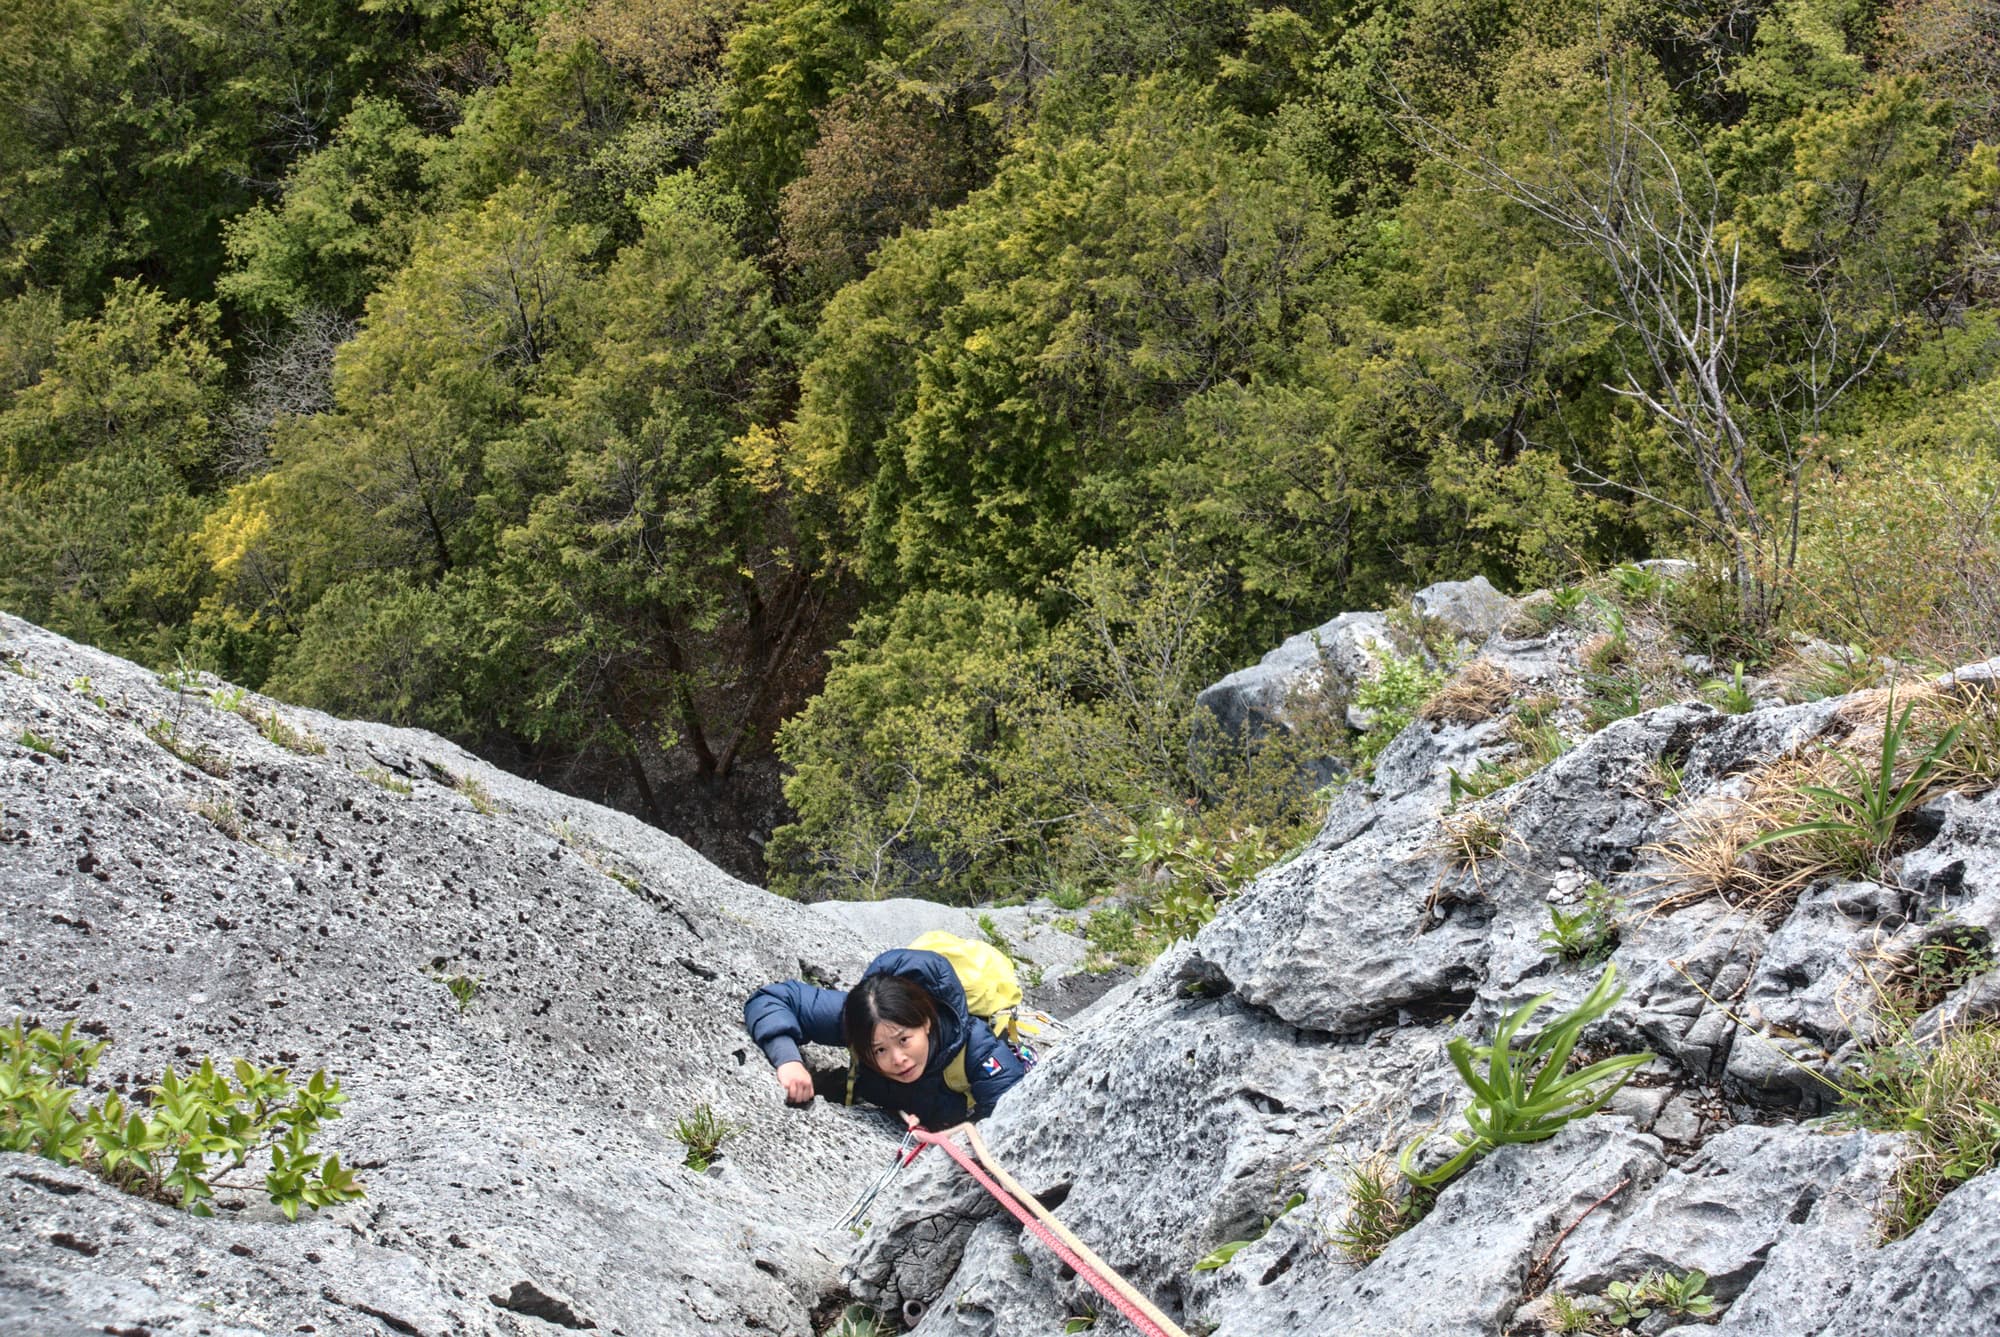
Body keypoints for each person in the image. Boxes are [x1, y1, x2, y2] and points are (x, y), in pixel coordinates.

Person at [743, 947, 1026, 1129]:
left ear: (926, 1022)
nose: (897, 1060)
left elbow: (1013, 1122)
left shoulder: (979, 1051)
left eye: (904, 1040)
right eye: (878, 1050)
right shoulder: (862, 1019)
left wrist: (956, 1137)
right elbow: (773, 999)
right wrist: (788, 1060)